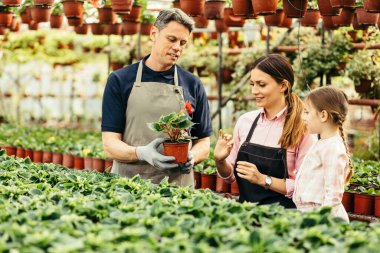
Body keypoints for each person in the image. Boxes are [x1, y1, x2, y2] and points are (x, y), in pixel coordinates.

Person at [101, 9, 212, 187]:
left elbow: (204, 142)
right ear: (154, 33)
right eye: (172, 39)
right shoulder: (120, 80)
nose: (178, 47)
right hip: (128, 188)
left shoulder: (193, 84)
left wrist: (193, 156)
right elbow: (110, 144)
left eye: (183, 43)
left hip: (179, 192)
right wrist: (141, 153)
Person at [214, 54, 316, 208]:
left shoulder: (303, 127)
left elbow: (306, 187)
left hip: (284, 218)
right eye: (252, 84)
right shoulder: (245, 122)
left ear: (283, 86)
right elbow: (230, 177)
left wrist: (263, 180)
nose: (254, 91)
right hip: (247, 213)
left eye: (261, 84)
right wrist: (220, 160)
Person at [293, 87, 352, 222]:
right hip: (310, 214)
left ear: (323, 115)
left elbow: (333, 195)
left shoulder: (332, 148)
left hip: (322, 218)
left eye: (307, 112)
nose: (303, 117)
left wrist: (323, 223)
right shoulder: (322, 143)